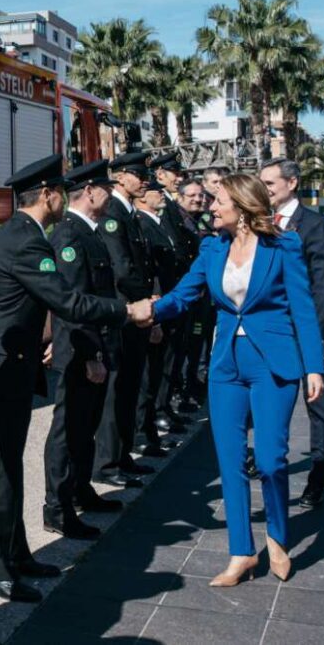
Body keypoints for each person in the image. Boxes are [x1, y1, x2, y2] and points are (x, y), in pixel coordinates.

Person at [131, 173, 324, 587]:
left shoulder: (283, 245)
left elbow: (303, 309)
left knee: (272, 459)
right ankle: (241, 552)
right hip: (226, 366)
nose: (211, 207)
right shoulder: (211, 247)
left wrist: (314, 366)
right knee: (230, 461)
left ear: (241, 206)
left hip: (273, 362)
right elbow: (184, 295)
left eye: (218, 201)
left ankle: (277, 536)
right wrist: (147, 310)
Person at [0, 154, 129, 603]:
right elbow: (69, 302)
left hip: (13, 364)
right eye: (62, 190)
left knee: (10, 467)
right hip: (3, 370)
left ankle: (16, 554)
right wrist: (127, 310)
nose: (66, 197)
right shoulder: (25, 240)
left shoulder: (20, 234)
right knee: (0, 470)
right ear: (47, 194)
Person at [43, 159, 124, 540]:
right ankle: (57, 507)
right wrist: (91, 356)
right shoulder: (70, 236)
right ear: (90, 191)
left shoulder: (87, 232)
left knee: (85, 426)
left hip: (96, 346)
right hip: (80, 350)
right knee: (68, 428)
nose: (110, 195)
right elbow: (73, 303)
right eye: (105, 189)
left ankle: (80, 490)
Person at [260, 157, 324, 508]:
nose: (264, 190)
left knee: (319, 409)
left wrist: (318, 343)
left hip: (309, 334)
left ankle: (319, 480)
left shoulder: (314, 226)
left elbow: (323, 290)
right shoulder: (263, 223)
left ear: (291, 183)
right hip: (273, 333)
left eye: (270, 184)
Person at [93, 152, 157, 488]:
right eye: (137, 173)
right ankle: (106, 462)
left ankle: (123, 455)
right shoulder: (113, 213)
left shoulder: (128, 212)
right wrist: (144, 300)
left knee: (131, 386)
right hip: (123, 313)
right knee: (116, 392)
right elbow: (122, 268)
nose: (144, 179)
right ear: (120, 176)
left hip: (135, 312)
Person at [149, 153, 199, 431]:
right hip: (168, 292)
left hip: (179, 291)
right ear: (159, 175)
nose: (178, 177)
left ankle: (165, 405)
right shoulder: (161, 206)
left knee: (174, 355)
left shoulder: (170, 206)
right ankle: (159, 409)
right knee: (163, 358)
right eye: (172, 173)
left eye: (179, 173)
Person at [133, 178, 180, 456]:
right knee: (147, 379)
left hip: (165, 307)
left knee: (157, 372)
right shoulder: (142, 222)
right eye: (156, 190)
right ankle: (143, 433)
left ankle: (149, 431)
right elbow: (148, 273)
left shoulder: (157, 222)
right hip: (154, 309)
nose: (161, 194)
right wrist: (155, 315)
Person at [175, 178, 216, 412]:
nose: (198, 199)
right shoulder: (179, 222)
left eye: (201, 196)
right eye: (192, 196)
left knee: (199, 344)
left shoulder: (203, 222)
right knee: (186, 347)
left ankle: (194, 386)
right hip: (187, 295)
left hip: (203, 297)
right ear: (180, 197)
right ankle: (182, 391)